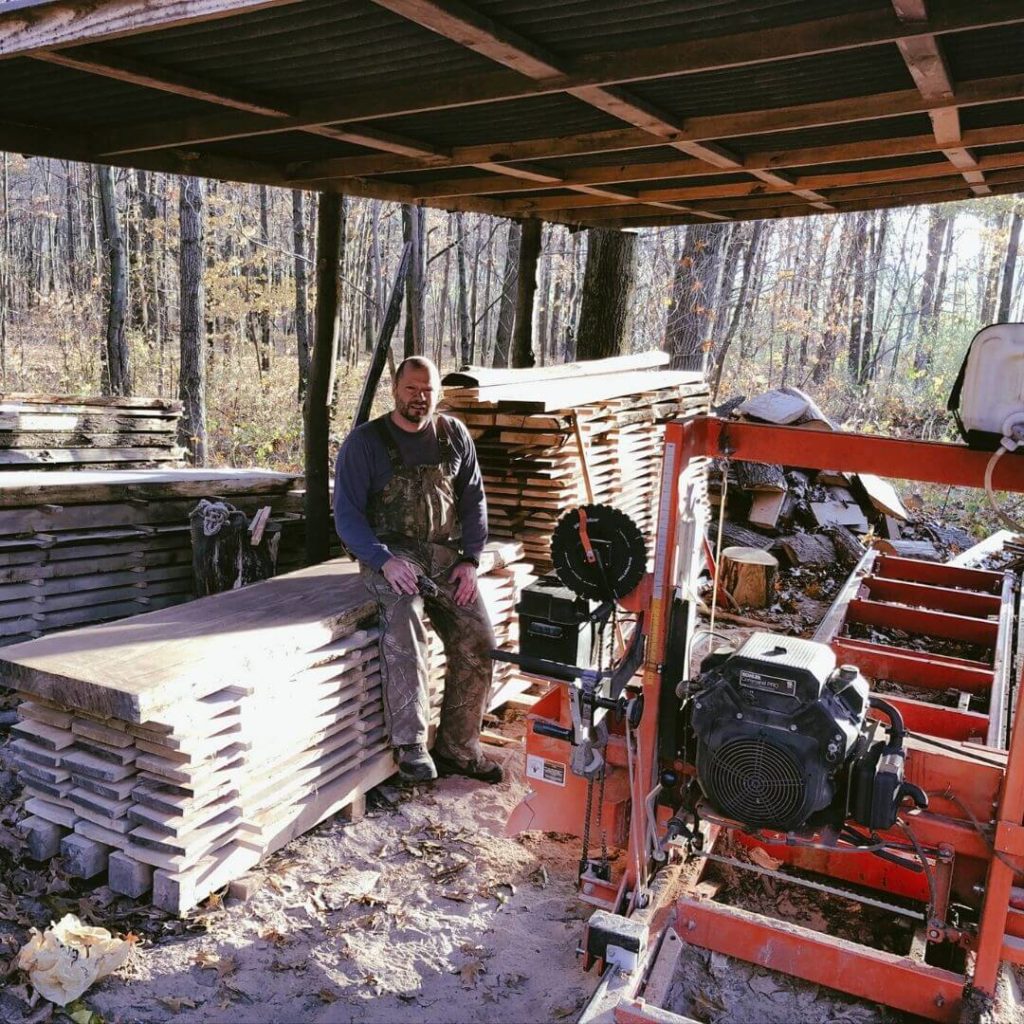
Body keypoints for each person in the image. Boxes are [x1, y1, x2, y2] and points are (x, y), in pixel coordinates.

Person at [333, 355, 502, 784]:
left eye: (428, 390)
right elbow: (347, 515)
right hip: (387, 555)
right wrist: (383, 560)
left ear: (438, 393)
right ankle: (410, 743)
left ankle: (458, 748)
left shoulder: (453, 435)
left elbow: (473, 501)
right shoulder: (366, 442)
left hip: (444, 554)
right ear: (395, 389)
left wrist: (470, 560)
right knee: (406, 616)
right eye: (411, 389)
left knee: (479, 636)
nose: (420, 398)